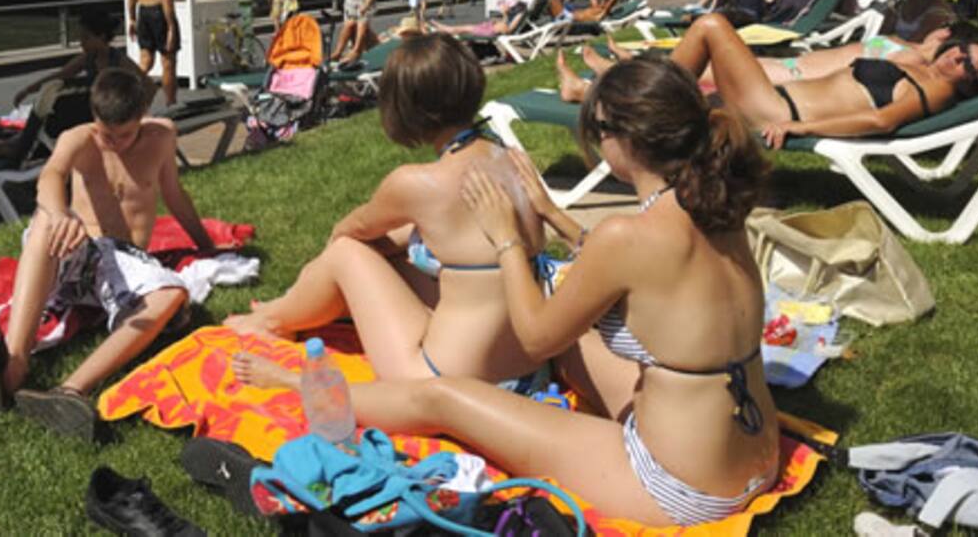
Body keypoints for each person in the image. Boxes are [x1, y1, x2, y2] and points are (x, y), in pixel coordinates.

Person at [235, 57, 779, 527]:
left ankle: (296, 383)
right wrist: (550, 215)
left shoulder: (625, 237)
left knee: (444, 398)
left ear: (624, 139)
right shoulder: (717, 207)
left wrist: (507, 241)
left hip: (678, 487)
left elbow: (538, 336)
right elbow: (625, 265)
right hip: (755, 454)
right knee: (573, 339)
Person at [227, 33, 550, 391]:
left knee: (346, 253)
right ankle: (287, 308)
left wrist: (322, 275)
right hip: (527, 369)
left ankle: (274, 319)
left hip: (443, 381)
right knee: (392, 250)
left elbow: (346, 232)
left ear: (406, 106)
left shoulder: (418, 183)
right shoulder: (509, 158)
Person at [0, 68, 214, 440]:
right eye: (106, 134)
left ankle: (69, 392)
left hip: (125, 262)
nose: (114, 143)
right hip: (77, 249)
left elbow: (173, 193)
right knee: (45, 219)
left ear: (142, 116)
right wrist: (60, 216)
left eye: (125, 134)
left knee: (170, 294)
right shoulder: (78, 139)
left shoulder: (162, 137)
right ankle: (14, 363)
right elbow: (50, 176)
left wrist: (206, 245)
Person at [561, 13, 978, 149]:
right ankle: (601, 97)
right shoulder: (922, 68)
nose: (957, 57)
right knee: (682, 93)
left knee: (711, 26)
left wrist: (800, 127)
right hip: (773, 99)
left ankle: (623, 95)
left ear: (972, 85)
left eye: (968, 66)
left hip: (775, 110)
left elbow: (881, 121)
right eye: (964, 49)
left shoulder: (936, 90)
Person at [13, 9, 149, 108]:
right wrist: (27, 90)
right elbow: (60, 76)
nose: (81, 42)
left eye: (86, 37)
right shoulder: (87, 59)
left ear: (101, 37)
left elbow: (149, 86)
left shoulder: (120, 61)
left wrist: (136, 115)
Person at [429, 0, 527, 38]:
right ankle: (441, 29)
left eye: (507, 5)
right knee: (465, 28)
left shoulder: (519, 15)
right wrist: (500, 19)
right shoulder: (514, 14)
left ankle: (441, 29)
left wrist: (503, 17)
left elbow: (508, 30)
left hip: (490, 31)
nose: (504, 6)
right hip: (491, 28)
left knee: (464, 28)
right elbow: (506, 24)